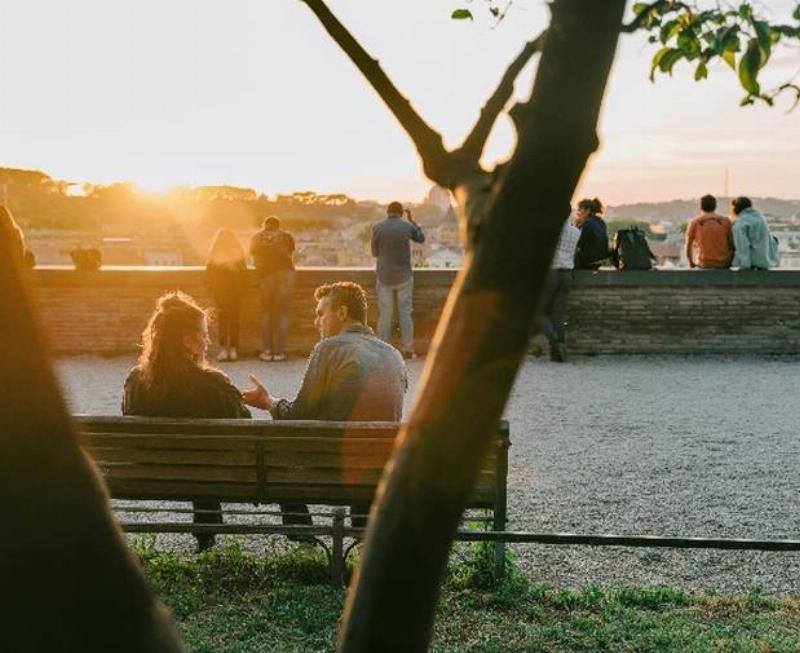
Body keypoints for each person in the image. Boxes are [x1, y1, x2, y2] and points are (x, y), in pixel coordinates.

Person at [243, 281, 407, 525]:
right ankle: (361, 536)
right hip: (382, 471)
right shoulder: (394, 354)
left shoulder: (329, 348)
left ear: (341, 313)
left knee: (275, 455)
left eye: (321, 313)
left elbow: (299, 416)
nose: (316, 321)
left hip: (333, 472)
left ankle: (304, 538)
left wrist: (268, 402)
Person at [121, 292, 250, 552]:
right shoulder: (213, 385)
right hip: (210, 472)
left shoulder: (137, 381)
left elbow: (128, 417)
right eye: (203, 334)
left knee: (198, 455)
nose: (207, 340)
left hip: (150, 472)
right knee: (204, 457)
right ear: (187, 342)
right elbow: (245, 428)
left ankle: (206, 535)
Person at [371, 201, 425, 359]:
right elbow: (421, 238)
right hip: (404, 276)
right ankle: (407, 349)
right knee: (405, 314)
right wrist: (412, 220)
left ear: (387, 212)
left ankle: (382, 349)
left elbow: (374, 252)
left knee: (385, 316)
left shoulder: (377, 227)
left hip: (384, 276)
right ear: (402, 213)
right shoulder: (406, 227)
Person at [249, 216, 295, 362]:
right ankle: (280, 352)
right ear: (278, 226)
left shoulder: (257, 237)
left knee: (266, 311)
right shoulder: (286, 237)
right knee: (282, 312)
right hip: (286, 272)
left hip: (266, 273)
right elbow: (289, 256)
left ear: (264, 225)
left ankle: (267, 351)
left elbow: (255, 259)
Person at [539, 218, 581, 362]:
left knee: (538, 312)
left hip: (551, 274)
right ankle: (559, 350)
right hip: (567, 274)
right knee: (558, 314)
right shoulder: (576, 231)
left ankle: (555, 342)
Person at [206, 228, 249, 361]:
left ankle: (224, 349)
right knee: (235, 319)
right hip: (235, 288)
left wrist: (212, 288)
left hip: (220, 289)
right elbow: (244, 272)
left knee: (222, 318)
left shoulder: (215, 252)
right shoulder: (237, 251)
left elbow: (209, 272)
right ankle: (234, 349)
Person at [730, 197, 780, 270]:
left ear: (736, 208)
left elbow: (742, 245)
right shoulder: (760, 218)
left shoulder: (740, 222)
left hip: (753, 262)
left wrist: (744, 265)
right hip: (765, 262)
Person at [684, 194, 732, 269]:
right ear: (715, 206)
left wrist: (691, 263)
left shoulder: (695, 222)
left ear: (701, 207)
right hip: (724, 263)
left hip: (705, 263)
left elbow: (688, 246)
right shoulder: (726, 221)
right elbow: (731, 244)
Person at [573, 198, 609, 270]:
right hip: (599, 260)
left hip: (588, 261)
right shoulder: (601, 222)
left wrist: (576, 226)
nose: (578, 212)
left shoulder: (587, 223)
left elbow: (576, 243)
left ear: (588, 210)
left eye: (580, 209)